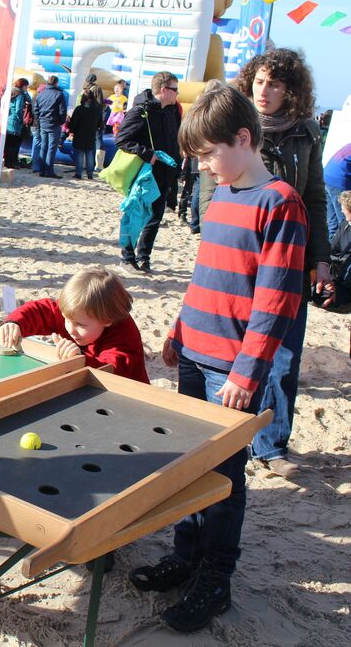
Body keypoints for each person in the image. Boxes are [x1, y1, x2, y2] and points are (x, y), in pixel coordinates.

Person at [134, 83, 308, 634]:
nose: (206, 167)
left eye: (210, 154)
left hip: (231, 370)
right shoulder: (222, 196)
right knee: (189, 465)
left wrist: (247, 371)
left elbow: (275, 300)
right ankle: (186, 556)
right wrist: (180, 329)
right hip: (195, 354)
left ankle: (216, 578)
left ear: (243, 137)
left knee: (223, 476)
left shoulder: (280, 202)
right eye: (199, 158)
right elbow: (205, 275)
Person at [199, 49, 331, 477]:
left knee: (285, 356)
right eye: (259, 80)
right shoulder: (231, 129)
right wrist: (212, 229)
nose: (264, 90)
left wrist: (321, 260)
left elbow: (314, 197)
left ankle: (272, 445)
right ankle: (241, 434)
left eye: (274, 83)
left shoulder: (306, 132)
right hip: (240, 256)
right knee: (242, 350)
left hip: (288, 256)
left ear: (290, 90)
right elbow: (209, 189)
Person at [0, 268, 149, 382]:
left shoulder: (124, 335)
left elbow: (111, 371)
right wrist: (15, 322)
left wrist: (79, 358)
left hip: (128, 402)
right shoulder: (77, 313)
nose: (70, 329)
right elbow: (41, 311)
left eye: (80, 325)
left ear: (107, 320)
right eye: (66, 319)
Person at [116, 71, 181, 274]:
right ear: (164, 90)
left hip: (165, 173)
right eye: (175, 89)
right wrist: (146, 153)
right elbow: (122, 139)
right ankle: (127, 258)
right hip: (144, 174)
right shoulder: (141, 110)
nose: (178, 94)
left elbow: (175, 138)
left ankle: (144, 257)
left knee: (155, 217)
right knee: (135, 213)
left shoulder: (172, 111)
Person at [34, 74, 67, 178]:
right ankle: (49, 171)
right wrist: (61, 122)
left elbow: (36, 109)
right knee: (51, 148)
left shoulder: (40, 94)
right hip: (54, 124)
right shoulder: (59, 94)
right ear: (56, 83)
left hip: (43, 123)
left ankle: (42, 170)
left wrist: (40, 119)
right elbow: (62, 111)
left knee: (43, 147)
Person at [67, 89, 103, 179]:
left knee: (79, 154)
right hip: (91, 134)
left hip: (79, 134)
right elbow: (100, 123)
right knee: (90, 154)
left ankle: (78, 173)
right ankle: (90, 174)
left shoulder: (79, 109)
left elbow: (73, 122)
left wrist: (71, 129)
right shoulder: (97, 109)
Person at [4, 77, 29, 168]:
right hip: (15, 122)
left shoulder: (10, 92)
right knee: (14, 144)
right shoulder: (20, 95)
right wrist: (21, 120)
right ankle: (12, 163)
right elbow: (18, 109)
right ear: (23, 86)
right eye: (26, 86)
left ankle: (7, 162)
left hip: (8, 120)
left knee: (8, 144)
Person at [177, 156, 201, 234]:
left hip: (191, 166)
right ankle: (193, 222)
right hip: (197, 167)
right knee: (195, 194)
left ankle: (182, 213)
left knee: (188, 191)